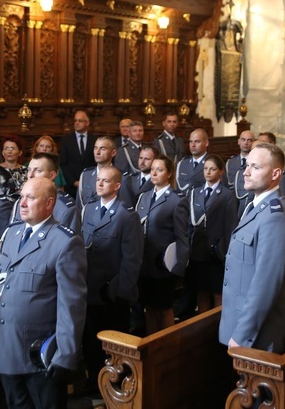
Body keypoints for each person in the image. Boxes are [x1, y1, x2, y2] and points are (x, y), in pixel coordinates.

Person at [0, 177, 87, 409]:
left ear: (49, 203)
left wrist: (65, 354)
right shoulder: (11, 234)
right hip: (8, 347)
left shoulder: (64, 242)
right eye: (21, 197)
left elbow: (71, 306)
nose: (22, 203)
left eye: (30, 198)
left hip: (40, 354)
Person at [219, 142, 285, 353]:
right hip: (240, 321)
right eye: (247, 166)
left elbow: (267, 282)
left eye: (256, 167)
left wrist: (243, 334)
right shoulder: (253, 205)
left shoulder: (275, 216)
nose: (246, 172)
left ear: (275, 173)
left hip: (259, 335)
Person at [80, 166, 143, 396]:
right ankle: (95, 382)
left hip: (112, 292)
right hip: (89, 288)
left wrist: (121, 293)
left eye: (105, 181)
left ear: (117, 186)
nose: (100, 184)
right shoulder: (89, 210)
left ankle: (117, 385)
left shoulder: (127, 215)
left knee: (114, 344)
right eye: (98, 180)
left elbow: (132, 259)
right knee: (90, 341)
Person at [134, 155, 189, 334]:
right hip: (145, 263)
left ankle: (167, 348)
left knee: (164, 308)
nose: (154, 173)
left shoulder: (176, 200)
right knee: (149, 307)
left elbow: (182, 237)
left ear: (169, 173)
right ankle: (152, 346)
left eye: (160, 169)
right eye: (152, 169)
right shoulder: (144, 197)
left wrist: (178, 267)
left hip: (164, 264)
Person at [181, 154, 237, 317]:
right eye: (205, 168)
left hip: (216, 252)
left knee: (217, 293)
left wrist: (225, 252)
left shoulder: (227, 195)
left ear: (221, 172)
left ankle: (216, 327)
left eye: (212, 169)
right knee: (201, 292)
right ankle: (202, 327)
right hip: (197, 250)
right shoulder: (194, 192)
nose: (208, 172)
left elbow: (230, 226)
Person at [11, 153, 81, 235]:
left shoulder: (66, 208)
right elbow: (12, 235)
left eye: (38, 170)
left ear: (52, 175)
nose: (30, 175)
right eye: (29, 170)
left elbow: (70, 244)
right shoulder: (21, 201)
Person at [59, 110, 96, 197]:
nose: (77, 123)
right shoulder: (66, 140)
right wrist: (73, 182)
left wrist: (90, 180)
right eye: (75, 121)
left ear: (87, 123)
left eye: (80, 121)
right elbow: (63, 164)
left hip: (91, 184)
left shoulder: (94, 140)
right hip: (71, 186)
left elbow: (96, 163)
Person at [77, 136, 117, 211]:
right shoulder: (86, 175)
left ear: (113, 153)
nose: (97, 152)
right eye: (95, 148)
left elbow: (125, 210)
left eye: (103, 149)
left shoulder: (122, 177)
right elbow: (79, 205)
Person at [223, 130, 255, 210]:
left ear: (254, 142)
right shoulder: (231, 162)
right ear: (238, 141)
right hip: (231, 202)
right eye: (243, 140)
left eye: (249, 140)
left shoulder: (255, 163)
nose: (246, 143)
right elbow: (226, 183)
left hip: (248, 200)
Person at [0, 135, 28, 202]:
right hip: (2, 205)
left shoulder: (25, 170)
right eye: (6, 148)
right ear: (2, 153)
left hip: (21, 204)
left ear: (20, 152)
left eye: (12, 148)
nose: (9, 151)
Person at [175, 128, 209, 192]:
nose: (193, 145)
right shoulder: (182, 164)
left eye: (197, 141)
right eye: (191, 142)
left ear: (206, 143)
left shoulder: (213, 163)